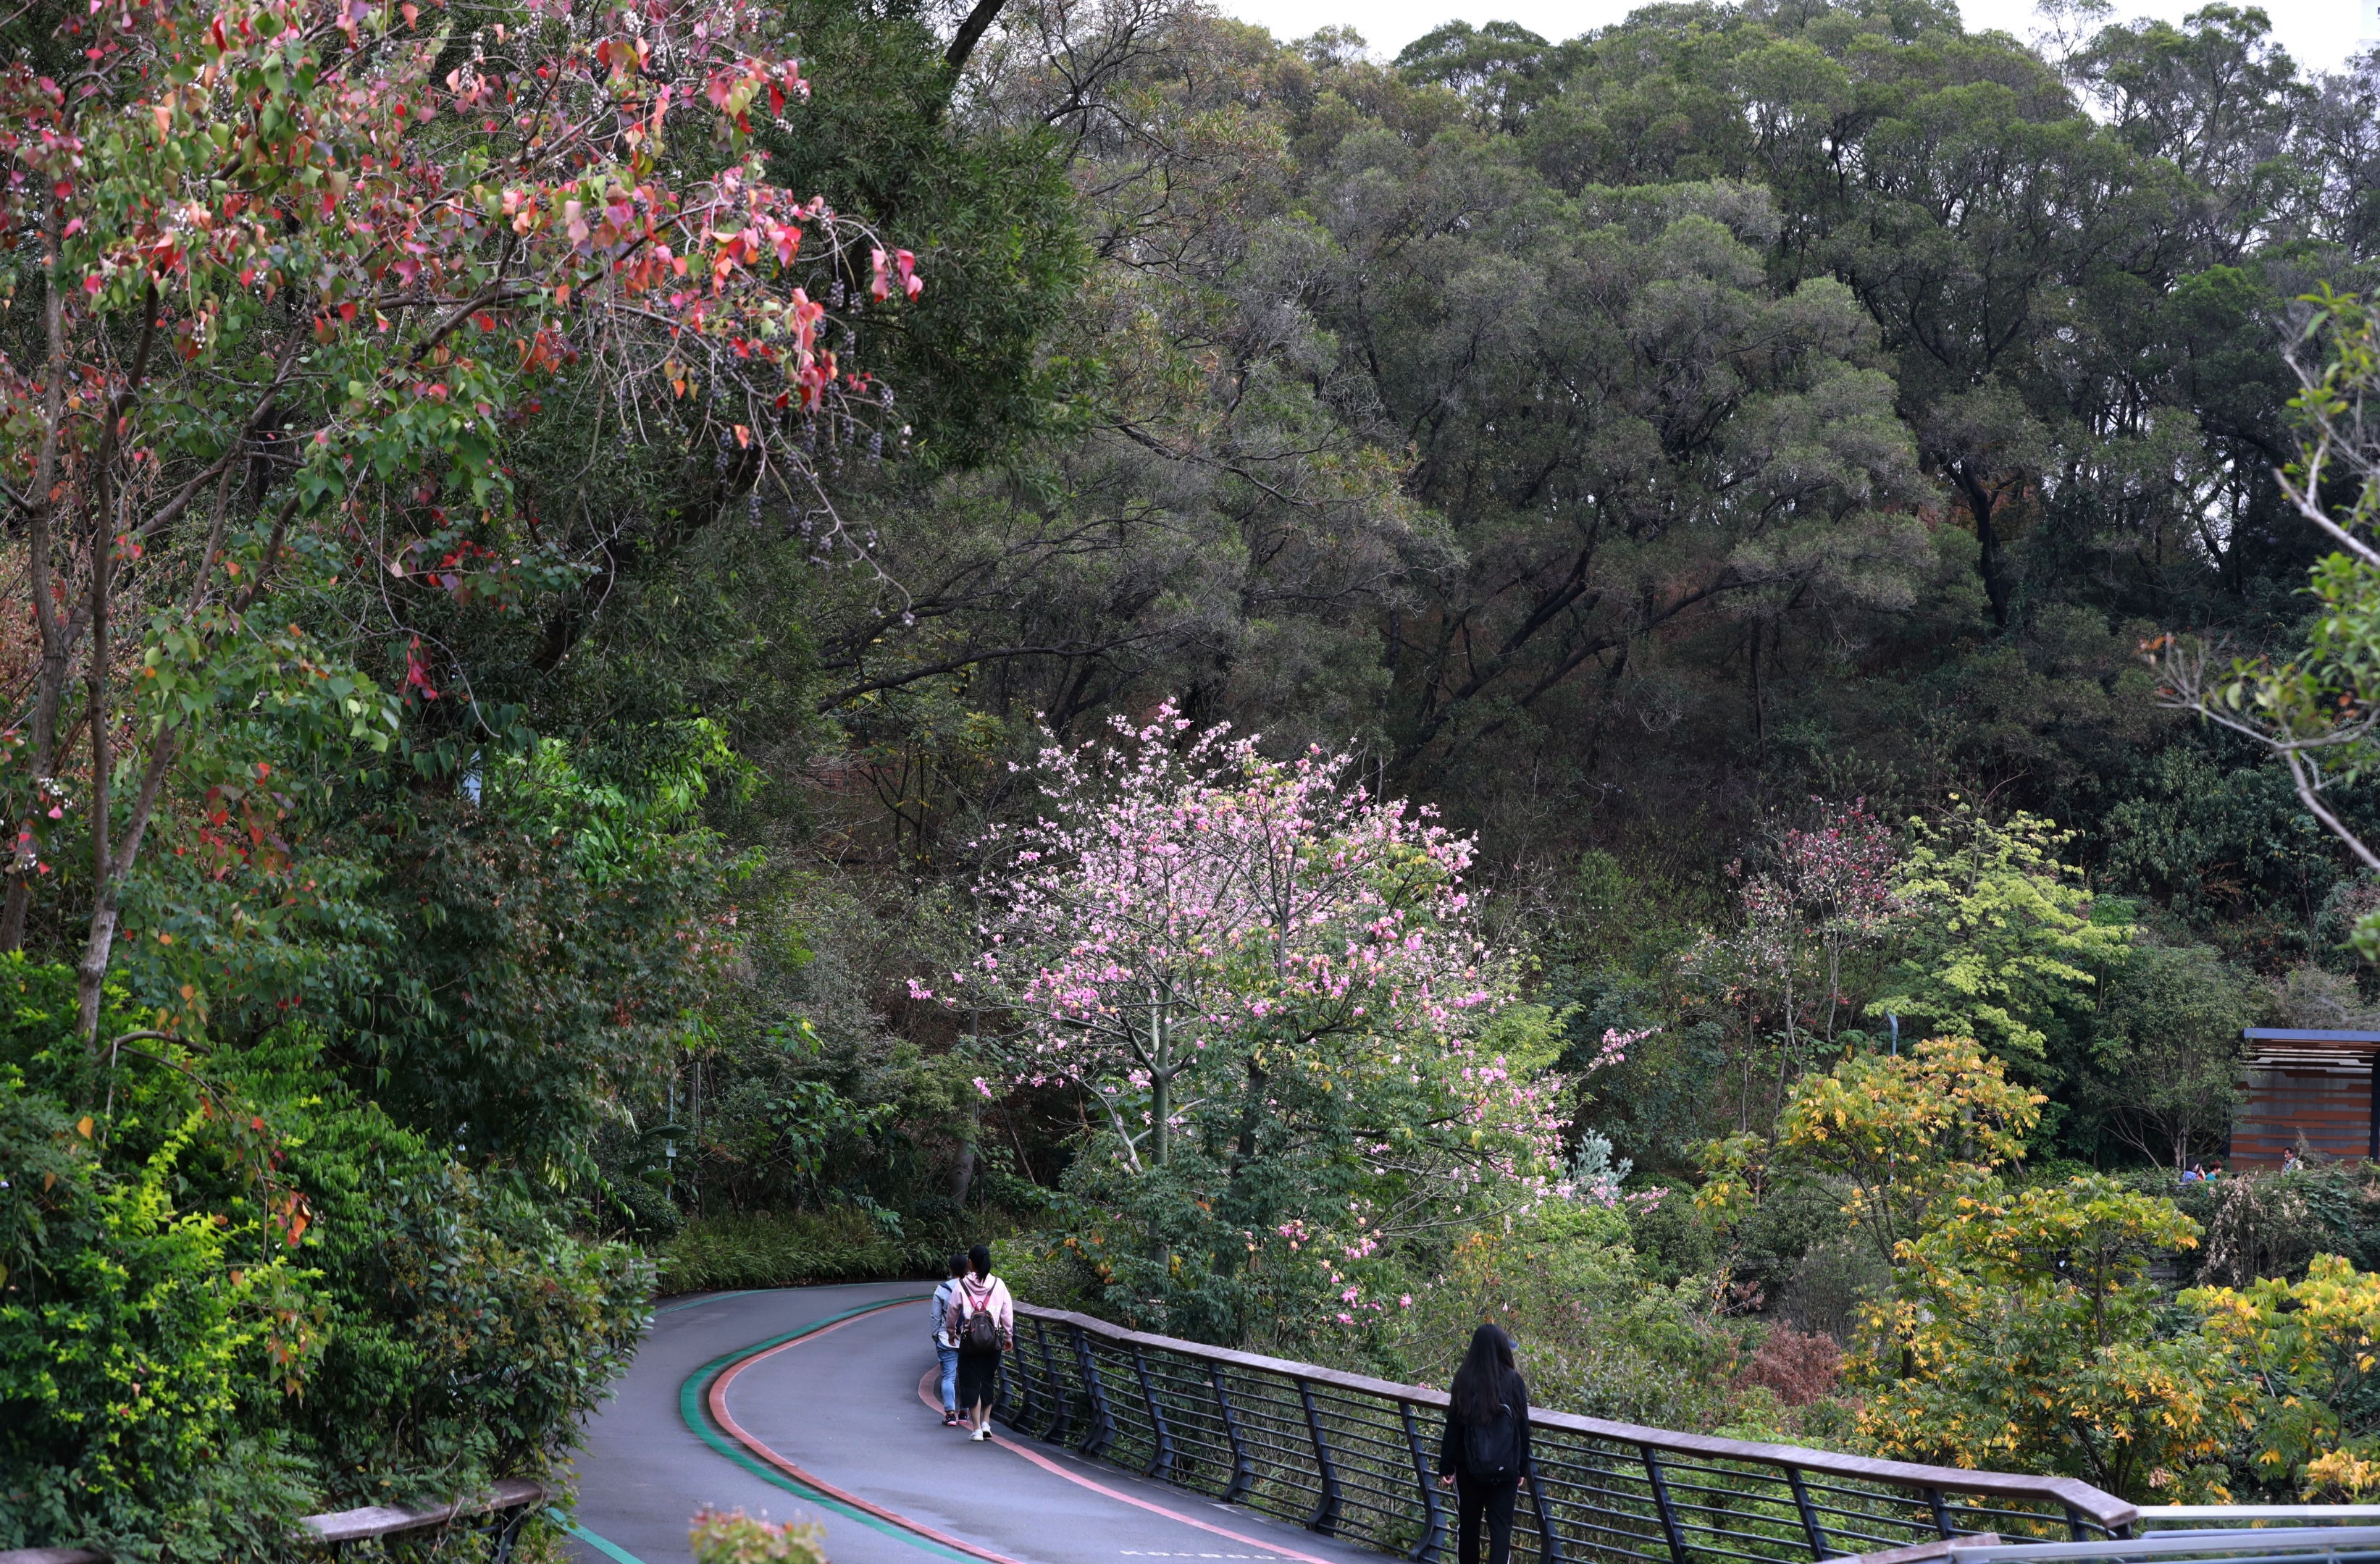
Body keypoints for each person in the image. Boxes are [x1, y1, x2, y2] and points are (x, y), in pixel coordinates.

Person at [1437, 1324, 1530, 1564]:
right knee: (1501, 1529)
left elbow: (1454, 1426)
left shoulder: (1464, 1379)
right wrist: (1522, 1468)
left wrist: (1446, 1466)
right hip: (1506, 1469)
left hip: (1469, 1467)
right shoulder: (1514, 1381)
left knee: (1469, 1526)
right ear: (1502, 1350)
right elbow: (1522, 1428)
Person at [952, 1243, 1013, 1442]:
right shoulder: (999, 1285)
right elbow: (1007, 1313)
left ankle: (977, 1428)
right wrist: (1009, 1337)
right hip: (992, 1342)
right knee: (987, 1380)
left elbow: (953, 1311)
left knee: (970, 1383)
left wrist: (951, 1332)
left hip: (969, 1342)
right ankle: (987, 1423)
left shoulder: (961, 1285)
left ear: (970, 1263)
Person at [930, 1252, 968, 1427]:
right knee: (968, 1377)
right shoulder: (972, 1287)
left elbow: (935, 1317)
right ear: (967, 1268)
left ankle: (950, 1414)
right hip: (969, 1339)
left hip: (947, 1339)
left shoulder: (942, 1289)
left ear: (950, 1269)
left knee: (948, 1377)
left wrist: (936, 1336)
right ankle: (964, 1412)